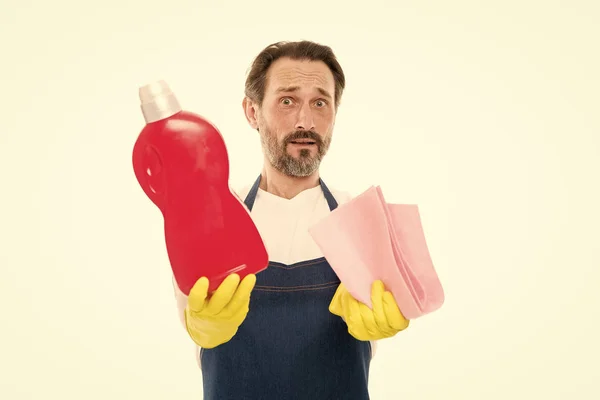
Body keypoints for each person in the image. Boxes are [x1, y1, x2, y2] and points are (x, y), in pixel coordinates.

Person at [172, 40, 410, 399]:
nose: (306, 121)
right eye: (287, 100)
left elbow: (380, 327)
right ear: (252, 112)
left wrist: (388, 319)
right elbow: (193, 326)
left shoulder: (362, 220)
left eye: (320, 102)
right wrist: (201, 327)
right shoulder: (212, 220)